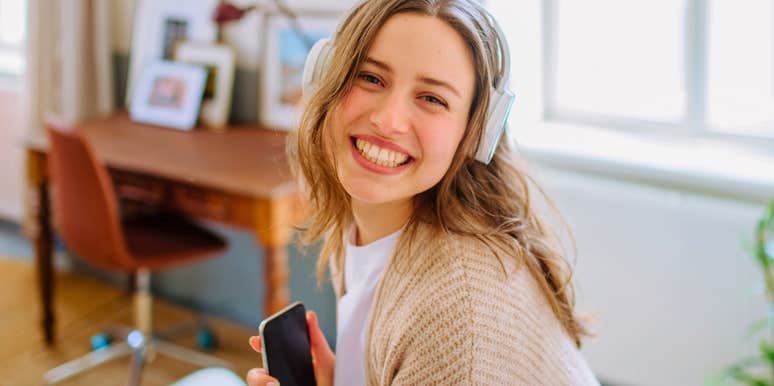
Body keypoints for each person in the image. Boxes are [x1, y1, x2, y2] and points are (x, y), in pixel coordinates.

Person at [247, 0, 599, 384]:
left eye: (432, 99)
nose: (388, 120)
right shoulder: (367, 221)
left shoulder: (456, 318)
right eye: (371, 78)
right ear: (325, 77)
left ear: (475, 135)